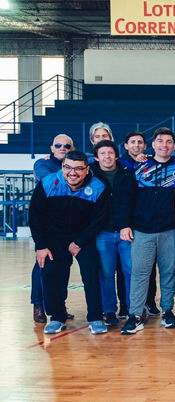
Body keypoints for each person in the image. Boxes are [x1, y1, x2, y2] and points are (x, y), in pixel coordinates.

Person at [30, 150, 109, 335]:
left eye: (78, 169)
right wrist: (41, 246)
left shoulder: (98, 187)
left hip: (83, 237)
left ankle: (95, 317)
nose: (72, 173)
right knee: (51, 274)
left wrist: (79, 242)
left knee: (91, 273)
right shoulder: (48, 183)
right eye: (68, 167)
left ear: (87, 169)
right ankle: (57, 317)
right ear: (62, 167)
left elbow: (100, 219)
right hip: (53, 237)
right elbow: (35, 216)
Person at [120, 127, 175, 335]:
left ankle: (167, 311)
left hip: (170, 230)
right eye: (160, 141)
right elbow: (126, 198)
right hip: (142, 230)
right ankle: (135, 315)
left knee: (169, 272)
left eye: (169, 142)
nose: (164, 145)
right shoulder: (138, 167)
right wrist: (124, 224)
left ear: (174, 146)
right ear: (153, 144)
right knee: (140, 273)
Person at [91, 140, 137, 326]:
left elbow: (133, 202)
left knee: (130, 272)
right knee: (106, 273)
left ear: (116, 155)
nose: (107, 156)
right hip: (103, 232)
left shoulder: (127, 174)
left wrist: (128, 224)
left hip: (126, 232)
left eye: (110, 153)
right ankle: (109, 310)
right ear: (96, 157)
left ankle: (133, 309)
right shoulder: (90, 175)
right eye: (103, 153)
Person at [30, 133, 74, 323]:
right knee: (42, 264)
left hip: (69, 225)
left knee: (63, 266)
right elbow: (48, 180)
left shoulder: (76, 162)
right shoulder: (42, 163)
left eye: (67, 146)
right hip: (47, 226)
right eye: (58, 145)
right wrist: (73, 173)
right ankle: (38, 305)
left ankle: (58, 305)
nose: (62, 148)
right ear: (51, 148)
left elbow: (93, 158)